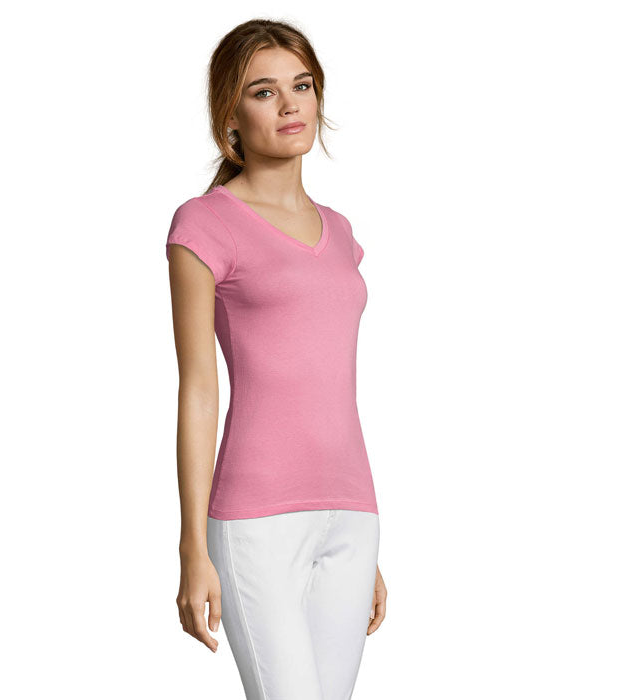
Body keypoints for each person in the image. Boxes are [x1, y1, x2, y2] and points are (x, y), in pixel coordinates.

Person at [166, 18, 387, 700]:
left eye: (303, 86)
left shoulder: (341, 232)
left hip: (352, 513)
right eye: (264, 92)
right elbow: (198, 390)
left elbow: (330, 382)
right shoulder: (204, 223)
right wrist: (193, 546)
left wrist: (369, 550)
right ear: (229, 116)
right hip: (255, 518)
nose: (290, 105)